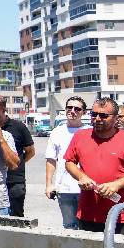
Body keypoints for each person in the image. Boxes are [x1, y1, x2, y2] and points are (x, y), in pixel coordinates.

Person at [63, 97, 124, 232]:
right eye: (94, 114)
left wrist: (117, 184)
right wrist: (81, 176)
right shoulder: (80, 136)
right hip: (89, 213)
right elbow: (69, 162)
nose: (97, 118)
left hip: (122, 214)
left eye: (103, 116)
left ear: (116, 118)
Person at [0, 95, 35, 217]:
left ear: (3, 109)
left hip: (14, 182)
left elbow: (30, 151)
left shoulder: (19, 127)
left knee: (15, 218)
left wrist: (18, 163)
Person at [45, 96, 89, 229]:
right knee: (69, 226)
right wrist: (49, 184)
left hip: (86, 188)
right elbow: (51, 159)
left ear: (84, 112)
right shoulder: (57, 132)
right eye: (69, 108)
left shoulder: (90, 131)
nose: (73, 111)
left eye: (77, 108)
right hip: (64, 189)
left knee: (87, 227)